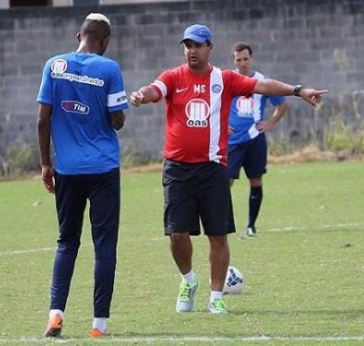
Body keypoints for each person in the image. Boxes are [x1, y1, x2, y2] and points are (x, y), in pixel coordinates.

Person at [129, 24, 326, 314]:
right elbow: (154, 89)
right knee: (177, 234)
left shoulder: (224, 79)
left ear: (210, 48)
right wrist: (140, 96)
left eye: (197, 45)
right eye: (187, 45)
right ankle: (188, 280)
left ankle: (216, 296)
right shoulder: (172, 77)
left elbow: (263, 86)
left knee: (217, 235)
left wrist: (299, 90)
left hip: (213, 168)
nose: (192, 50)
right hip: (177, 169)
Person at [36, 13, 128, 338]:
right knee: (104, 245)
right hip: (103, 169)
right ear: (104, 41)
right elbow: (117, 120)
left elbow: (43, 121)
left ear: (79, 35)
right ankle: (98, 326)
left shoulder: (53, 65)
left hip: (67, 170)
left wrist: (46, 164)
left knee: (66, 242)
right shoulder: (109, 69)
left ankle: (55, 315)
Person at [228, 42, 290, 237]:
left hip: (255, 139)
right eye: (239, 60)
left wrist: (269, 123)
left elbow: (282, 105)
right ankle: (224, 224)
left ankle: (251, 225)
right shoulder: (227, 80)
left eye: (245, 59)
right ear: (234, 61)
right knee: (224, 183)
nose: (242, 63)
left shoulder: (262, 81)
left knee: (255, 181)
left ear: (251, 59)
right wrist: (221, 125)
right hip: (231, 142)